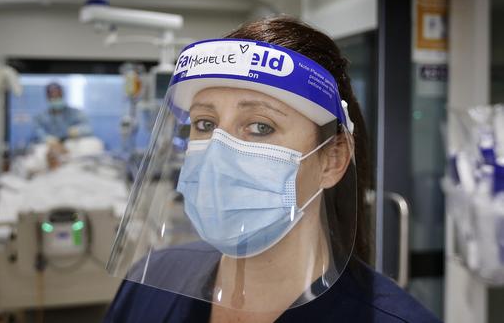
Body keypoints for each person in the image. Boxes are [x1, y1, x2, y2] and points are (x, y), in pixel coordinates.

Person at [103, 16, 440, 323]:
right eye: (205, 123)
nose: (218, 156)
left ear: (333, 159)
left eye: (260, 127)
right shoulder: (155, 281)